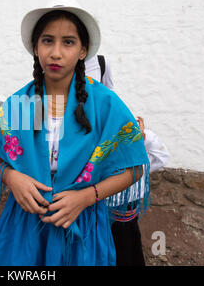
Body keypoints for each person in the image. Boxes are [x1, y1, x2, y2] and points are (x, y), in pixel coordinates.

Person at [0, 0, 150, 266]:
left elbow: (134, 165)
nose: (56, 53)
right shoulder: (23, 104)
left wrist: (86, 196)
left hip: (82, 227)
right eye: (47, 40)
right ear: (36, 48)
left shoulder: (104, 104)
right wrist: (12, 178)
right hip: (25, 227)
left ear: (83, 50)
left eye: (68, 42)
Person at [85, 57, 170, 265]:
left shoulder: (133, 140)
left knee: (125, 251)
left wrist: (140, 141)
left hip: (122, 216)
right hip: (93, 214)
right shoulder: (87, 142)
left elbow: (160, 159)